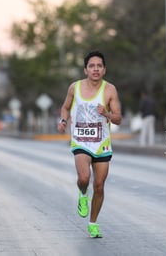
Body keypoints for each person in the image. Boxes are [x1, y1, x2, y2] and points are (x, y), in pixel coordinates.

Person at [57, 51, 122, 238]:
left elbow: (118, 118)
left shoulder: (110, 90)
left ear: (104, 69)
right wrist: (63, 120)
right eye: (92, 66)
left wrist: (107, 114)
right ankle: (82, 194)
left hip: (102, 144)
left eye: (99, 66)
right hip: (80, 141)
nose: (95, 69)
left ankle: (93, 223)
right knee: (84, 178)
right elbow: (66, 107)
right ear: (86, 69)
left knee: (100, 186)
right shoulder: (74, 88)